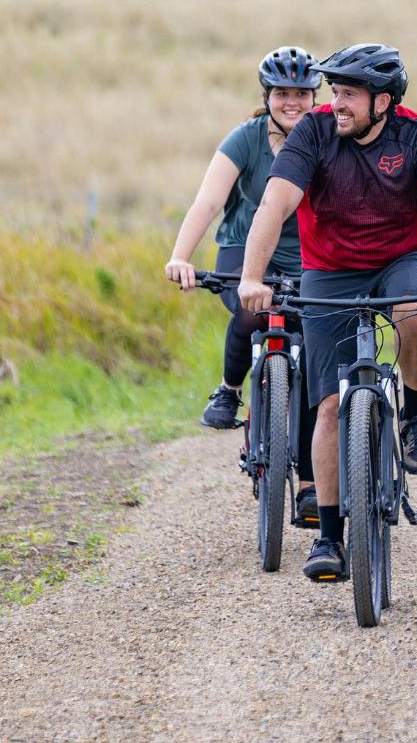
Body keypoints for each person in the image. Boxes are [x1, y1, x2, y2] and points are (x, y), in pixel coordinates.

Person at [237, 43, 417, 583]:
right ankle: (329, 536)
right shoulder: (314, 131)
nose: (337, 104)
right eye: (335, 92)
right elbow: (275, 202)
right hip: (329, 268)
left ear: (383, 102)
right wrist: (252, 279)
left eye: (349, 94)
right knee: (329, 407)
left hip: (406, 258)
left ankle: (416, 418)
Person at [166, 46, 322, 525]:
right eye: (281, 93)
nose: (291, 102)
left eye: (300, 93)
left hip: (306, 258)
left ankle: (312, 484)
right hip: (243, 250)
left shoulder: (327, 141)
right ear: (266, 96)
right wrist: (180, 256)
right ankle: (230, 389)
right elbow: (208, 201)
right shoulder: (245, 140)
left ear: (316, 97)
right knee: (252, 310)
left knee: (315, 355)